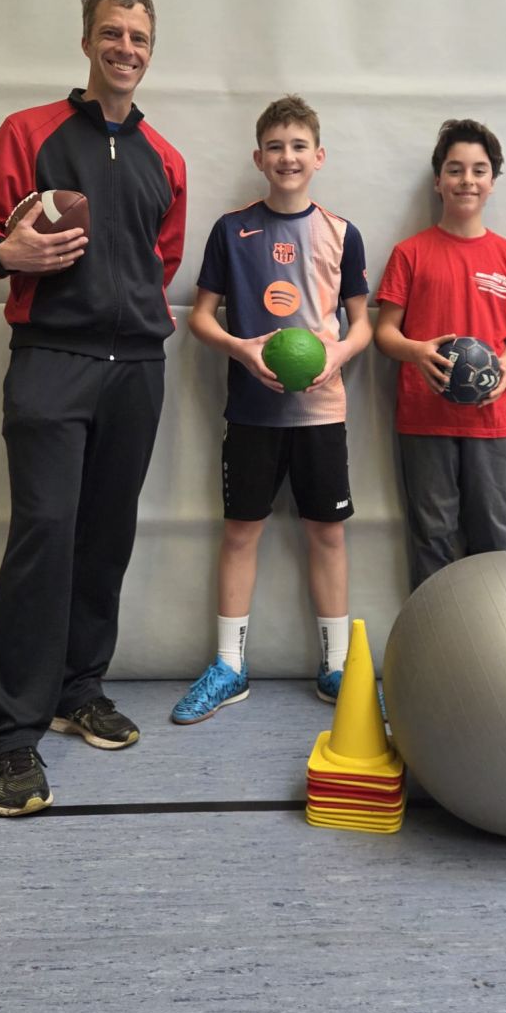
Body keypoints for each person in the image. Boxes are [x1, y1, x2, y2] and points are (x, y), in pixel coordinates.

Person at [0, 0, 187, 816]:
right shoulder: (29, 132)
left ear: (150, 50)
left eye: (139, 37)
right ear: (87, 42)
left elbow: (161, 262)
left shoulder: (167, 159)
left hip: (138, 368)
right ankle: (10, 740)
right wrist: (6, 254)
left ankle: (77, 690)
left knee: (105, 536)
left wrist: (130, 315)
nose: (126, 48)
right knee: (44, 536)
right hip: (52, 359)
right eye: (112, 34)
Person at [170, 94, 371, 724]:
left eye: (299, 146)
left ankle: (336, 669)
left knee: (327, 534)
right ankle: (229, 667)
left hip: (322, 413)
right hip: (252, 412)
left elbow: (363, 324)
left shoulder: (343, 233)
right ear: (259, 158)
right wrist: (241, 348)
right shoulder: (231, 230)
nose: (288, 157)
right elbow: (201, 318)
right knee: (240, 532)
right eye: (275, 147)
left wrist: (337, 355)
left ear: (319, 156)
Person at [374, 118, 506, 591]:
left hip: (491, 418)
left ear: (492, 181)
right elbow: (385, 332)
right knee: (432, 536)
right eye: (455, 169)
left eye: (479, 170)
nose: (467, 180)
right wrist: (416, 351)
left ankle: (491, 632)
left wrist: (504, 364)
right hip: (424, 418)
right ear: (438, 179)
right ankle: (431, 635)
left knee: (490, 536)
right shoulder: (410, 253)